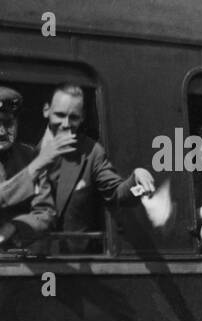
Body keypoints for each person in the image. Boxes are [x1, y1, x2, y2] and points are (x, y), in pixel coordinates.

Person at [37, 83, 155, 248]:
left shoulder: (92, 152)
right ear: (46, 110)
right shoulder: (25, 152)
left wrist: (136, 178)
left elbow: (116, 193)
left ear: (82, 117)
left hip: (74, 263)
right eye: (60, 115)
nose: (66, 124)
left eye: (74, 117)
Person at [0, 87, 56, 248]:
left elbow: (45, 212)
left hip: (18, 255)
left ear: (17, 122)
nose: (2, 132)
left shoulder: (31, 156)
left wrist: (15, 227)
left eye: (8, 123)